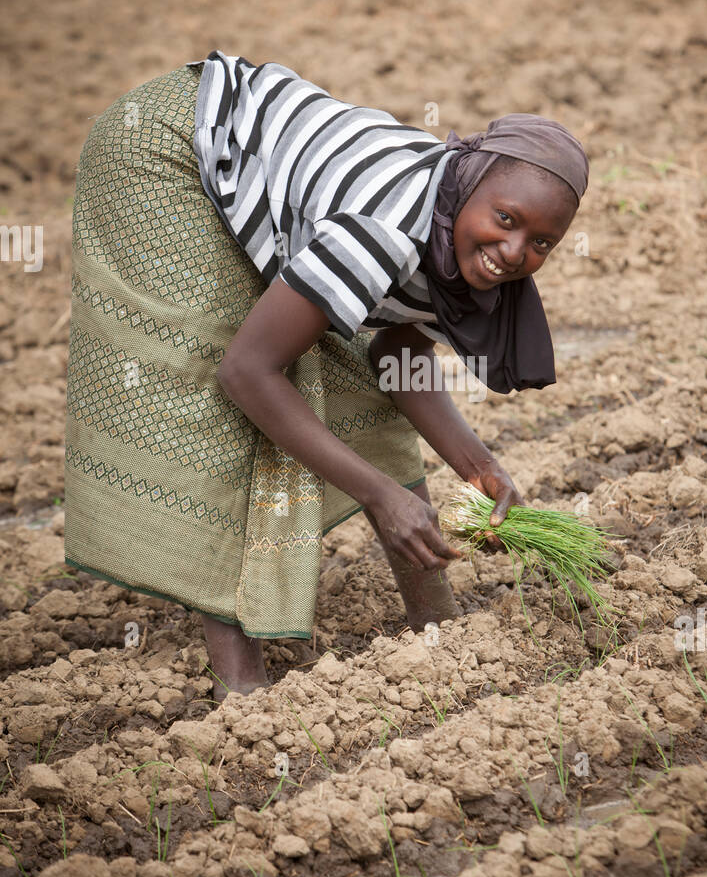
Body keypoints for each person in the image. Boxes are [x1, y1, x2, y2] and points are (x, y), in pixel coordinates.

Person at [64, 51, 589, 700]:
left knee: (342, 374)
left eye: (541, 243)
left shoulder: (457, 236)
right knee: (226, 387)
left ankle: (434, 617)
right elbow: (246, 372)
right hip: (172, 146)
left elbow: (397, 361)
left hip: (253, 150)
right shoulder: (386, 232)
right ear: (471, 183)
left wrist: (479, 467)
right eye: (506, 220)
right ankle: (239, 678)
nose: (514, 253)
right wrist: (377, 493)